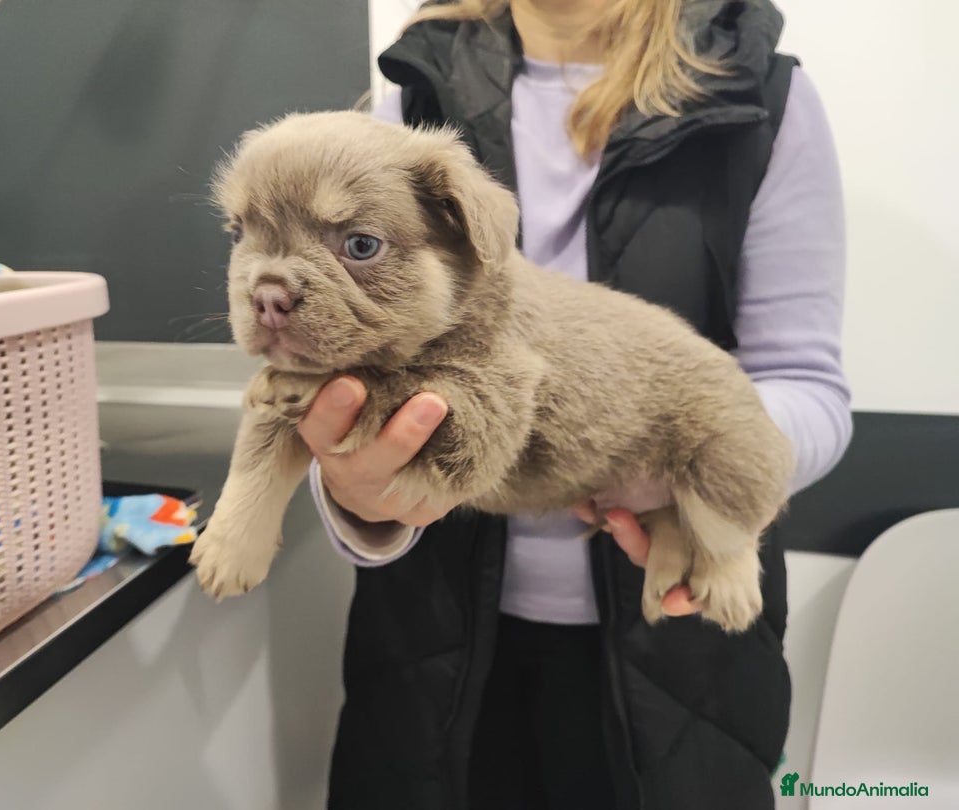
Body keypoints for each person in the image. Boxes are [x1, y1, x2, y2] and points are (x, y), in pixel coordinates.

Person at [298, 1, 852, 807]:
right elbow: (354, 371)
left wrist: (699, 468)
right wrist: (356, 498)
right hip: (432, 649)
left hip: (682, 651)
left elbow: (807, 385)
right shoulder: (414, 94)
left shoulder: (759, 97)